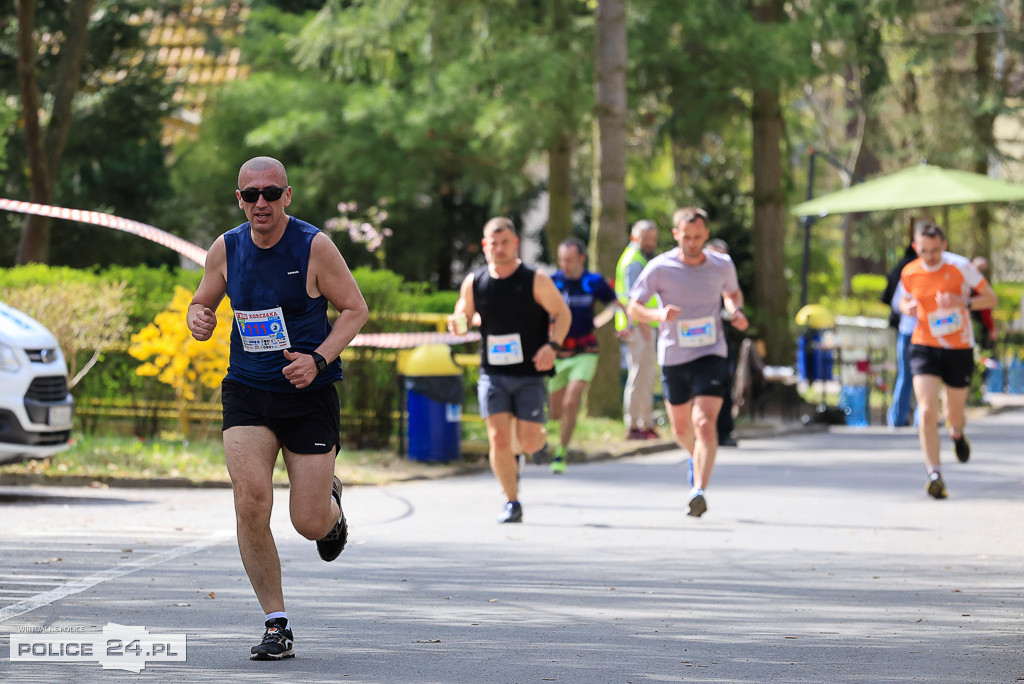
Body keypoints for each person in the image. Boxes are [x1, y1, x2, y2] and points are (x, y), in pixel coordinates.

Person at [186, 156, 369, 660]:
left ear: (287, 196)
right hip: (247, 391)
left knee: (307, 523)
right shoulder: (226, 248)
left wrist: (317, 358)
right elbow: (202, 301)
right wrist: (197, 318)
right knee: (249, 500)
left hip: (308, 394)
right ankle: (276, 622)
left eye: (271, 193)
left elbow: (356, 309)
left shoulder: (314, 247)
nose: (260, 203)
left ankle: (329, 508)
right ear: (239, 199)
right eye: (251, 195)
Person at [626, 207, 748, 518]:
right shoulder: (659, 267)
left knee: (704, 423)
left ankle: (699, 490)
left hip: (710, 352)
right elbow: (633, 307)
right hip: (674, 355)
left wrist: (734, 310)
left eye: (698, 237)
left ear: (705, 235)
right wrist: (657, 315)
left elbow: (732, 292)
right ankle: (696, 458)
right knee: (682, 429)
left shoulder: (721, 264)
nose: (692, 243)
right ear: (676, 234)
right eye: (686, 237)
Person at [450, 217, 571, 523]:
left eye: (505, 243)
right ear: (484, 246)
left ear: (515, 243)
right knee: (499, 439)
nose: (499, 249)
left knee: (528, 441)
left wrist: (552, 346)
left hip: (529, 373)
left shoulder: (535, 279)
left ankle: (539, 445)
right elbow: (462, 317)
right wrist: (458, 324)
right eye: (493, 243)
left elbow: (562, 314)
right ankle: (512, 502)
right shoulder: (475, 281)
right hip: (493, 374)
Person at [899, 221, 997, 499]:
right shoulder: (910, 271)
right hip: (924, 345)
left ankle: (956, 432)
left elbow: (992, 299)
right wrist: (909, 308)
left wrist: (962, 302)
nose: (929, 256)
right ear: (916, 247)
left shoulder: (960, 267)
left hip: (958, 347)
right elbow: (903, 302)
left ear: (943, 244)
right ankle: (935, 473)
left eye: (934, 250)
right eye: (923, 250)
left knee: (954, 413)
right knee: (927, 410)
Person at [548, 237, 622, 473]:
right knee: (555, 411)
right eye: (561, 260)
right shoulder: (553, 282)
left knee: (572, 400)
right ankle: (552, 440)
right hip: (558, 351)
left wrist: (599, 321)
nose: (565, 264)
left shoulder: (594, 281)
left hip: (585, 349)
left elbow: (615, 304)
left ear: (581, 258)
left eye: (569, 259)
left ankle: (561, 451)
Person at [614, 220, 660, 440]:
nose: (650, 243)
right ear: (634, 238)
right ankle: (635, 424)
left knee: (646, 375)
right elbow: (633, 300)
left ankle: (645, 422)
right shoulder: (634, 262)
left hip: (644, 326)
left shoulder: (640, 259)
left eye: (653, 238)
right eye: (646, 238)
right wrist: (644, 326)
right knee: (639, 376)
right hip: (640, 327)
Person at [705, 238, 740, 447]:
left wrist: (735, 313)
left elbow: (736, 301)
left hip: (720, 337)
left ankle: (724, 431)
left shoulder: (728, 279)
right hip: (692, 341)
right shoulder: (692, 276)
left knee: (723, 383)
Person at [881, 239, 919, 428]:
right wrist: (909, 307)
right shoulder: (909, 271)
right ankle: (898, 418)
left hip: (930, 332)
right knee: (906, 376)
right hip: (908, 329)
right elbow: (897, 301)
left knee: (923, 377)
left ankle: (922, 419)